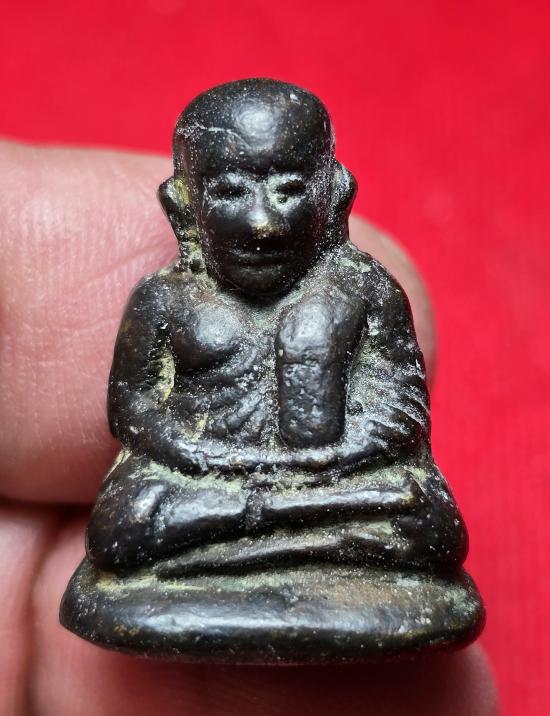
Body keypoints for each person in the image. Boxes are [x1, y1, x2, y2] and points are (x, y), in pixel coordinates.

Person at [0, 139, 497, 714]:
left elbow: (400, 407)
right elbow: (133, 407)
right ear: (183, 204)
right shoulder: (165, 298)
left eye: (289, 191)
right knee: (122, 527)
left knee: (426, 521)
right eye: (231, 192)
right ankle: (302, 538)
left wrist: (325, 460)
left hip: (326, 477)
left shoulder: (365, 289)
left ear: (334, 195)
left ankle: (231, 544)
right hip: (204, 474)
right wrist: (198, 455)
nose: (263, 223)